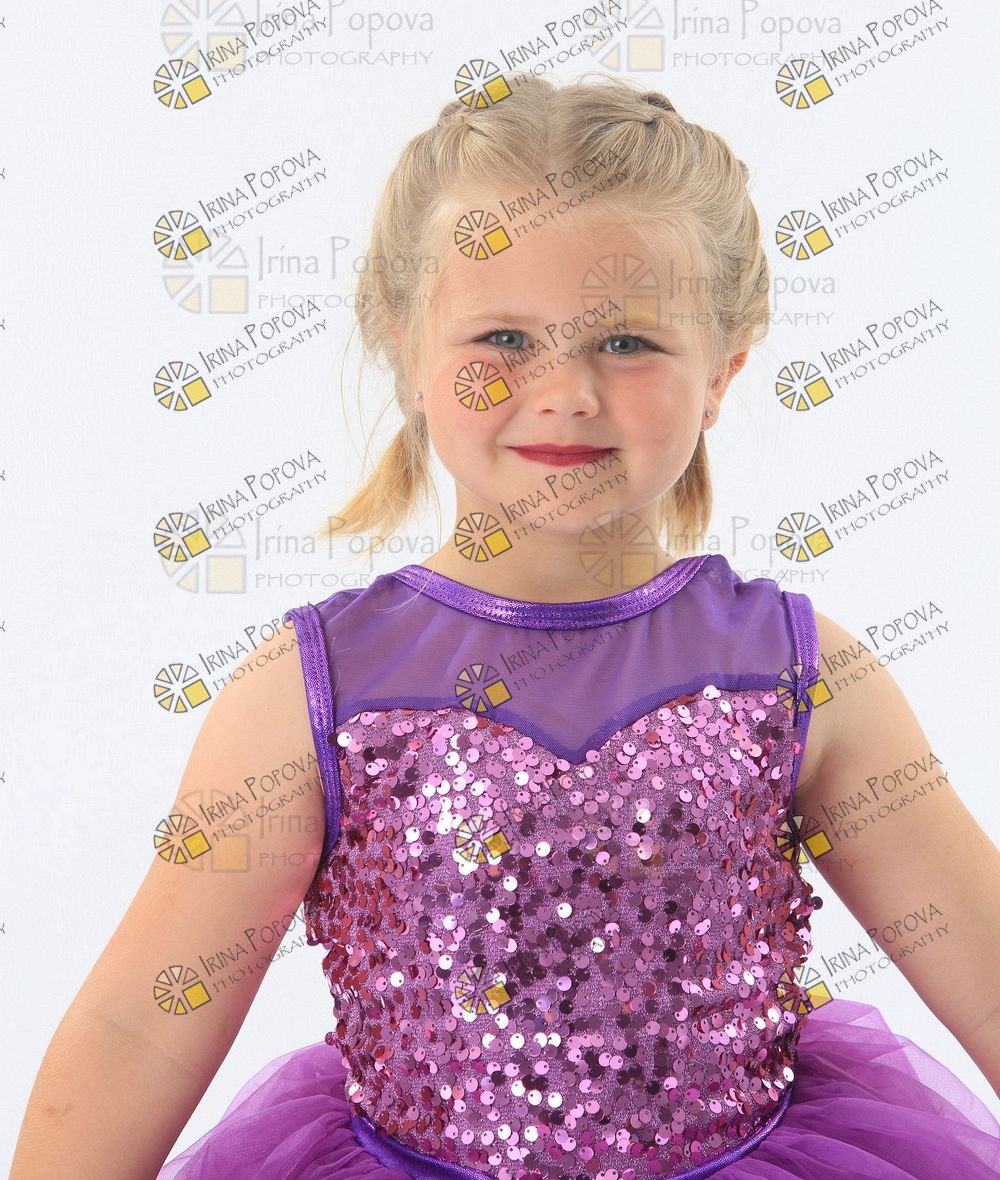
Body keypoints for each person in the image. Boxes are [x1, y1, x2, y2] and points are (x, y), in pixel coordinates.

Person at [12, 76, 1000, 1180]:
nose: (565, 390)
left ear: (721, 372)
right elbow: (140, 1024)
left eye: (625, 341)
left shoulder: (801, 675)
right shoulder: (310, 692)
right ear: (408, 354)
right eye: (503, 338)